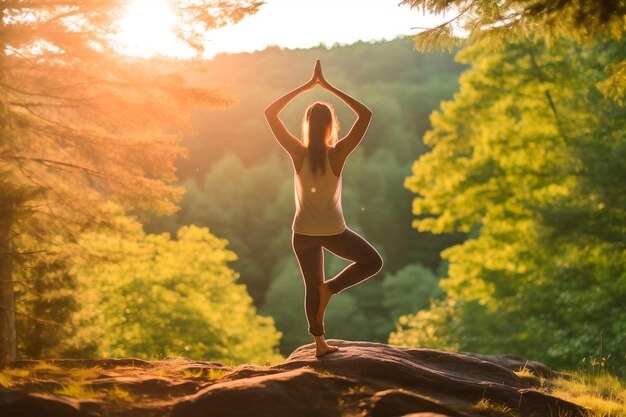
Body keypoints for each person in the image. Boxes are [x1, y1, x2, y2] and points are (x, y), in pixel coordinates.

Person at [264, 59, 384, 358]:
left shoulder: (297, 153)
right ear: (330, 126)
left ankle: (319, 345)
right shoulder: (339, 153)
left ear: (307, 125)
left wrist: (307, 86)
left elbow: (269, 113)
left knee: (310, 287)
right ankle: (331, 288)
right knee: (372, 262)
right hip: (334, 232)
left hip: (302, 233)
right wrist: (328, 87)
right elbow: (366, 114)